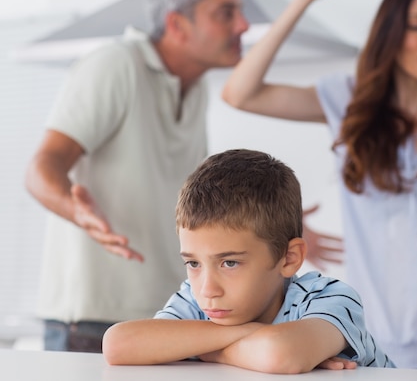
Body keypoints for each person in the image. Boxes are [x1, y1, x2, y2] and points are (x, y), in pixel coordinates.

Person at [25, 0, 250, 352]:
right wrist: (76, 209)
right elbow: (41, 167)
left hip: (163, 318)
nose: (243, 26)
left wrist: (273, 224)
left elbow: (196, 201)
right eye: (226, 13)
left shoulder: (194, 88)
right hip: (93, 323)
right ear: (177, 24)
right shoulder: (116, 65)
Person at [221, 0, 417, 368]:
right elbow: (240, 92)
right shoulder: (348, 101)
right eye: (416, 28)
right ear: (391, 34)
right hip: (375, 328)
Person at [102, 149, 395, 372]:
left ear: (289, 258)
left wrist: (201, 350)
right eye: (193, 264)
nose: (207, 289)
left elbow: (278, 354)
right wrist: (250, 335)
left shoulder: (331, 298)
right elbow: (118, 344)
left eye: (229, 263)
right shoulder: (196, 300)